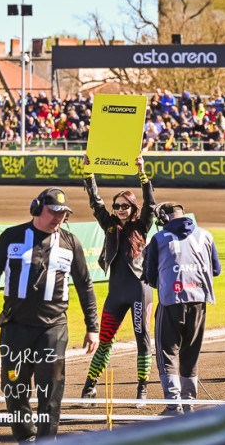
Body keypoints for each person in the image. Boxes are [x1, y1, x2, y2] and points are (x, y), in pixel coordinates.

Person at [0, 188, 99, 442]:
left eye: (63, 213)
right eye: (54, 211)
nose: (59, 217)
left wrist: (92, 326)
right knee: (13, 386)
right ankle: (26, 436)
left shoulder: (70, 242)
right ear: (36, 208)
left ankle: (46, 439)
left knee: (51, 388)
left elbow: (85, 284)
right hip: (15, 328)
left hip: (53, 329)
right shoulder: (12, 237)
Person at [80, 154, 156, 405]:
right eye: (117, 206)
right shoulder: (109, 225)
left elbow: (151, 204)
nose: (121, 210)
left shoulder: (142, 225)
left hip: (139, 290)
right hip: (116, 293)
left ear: (133, 208)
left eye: (125, 206)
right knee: (104, 341)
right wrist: (88, 172)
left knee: (142, 339)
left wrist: (142, 173)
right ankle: (89, 386)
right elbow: (95, 201)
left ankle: (142, 389)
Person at [142, 202, 220, 414]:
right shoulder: (206, 235)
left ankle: (173, 404)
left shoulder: (158, 238)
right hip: (199, 301)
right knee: (190, 352)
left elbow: (149, 277)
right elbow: (217, 270)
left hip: (170, 301)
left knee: (167, 352)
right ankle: (188, 403)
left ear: (164, 219)